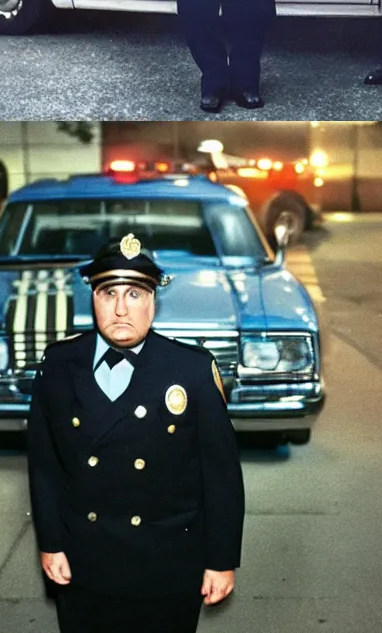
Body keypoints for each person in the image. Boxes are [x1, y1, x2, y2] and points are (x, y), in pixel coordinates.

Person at [27, 235, 244, 633]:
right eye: (109, 293)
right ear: (93, 296)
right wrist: (51, 542)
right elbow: (44, 466)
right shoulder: (59, 365)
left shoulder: (191, 370)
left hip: (167, 564)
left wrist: (220, 559)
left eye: (135, 293)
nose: (122, 309)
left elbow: (221, 476)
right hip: (84, 559)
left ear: (153, 301)